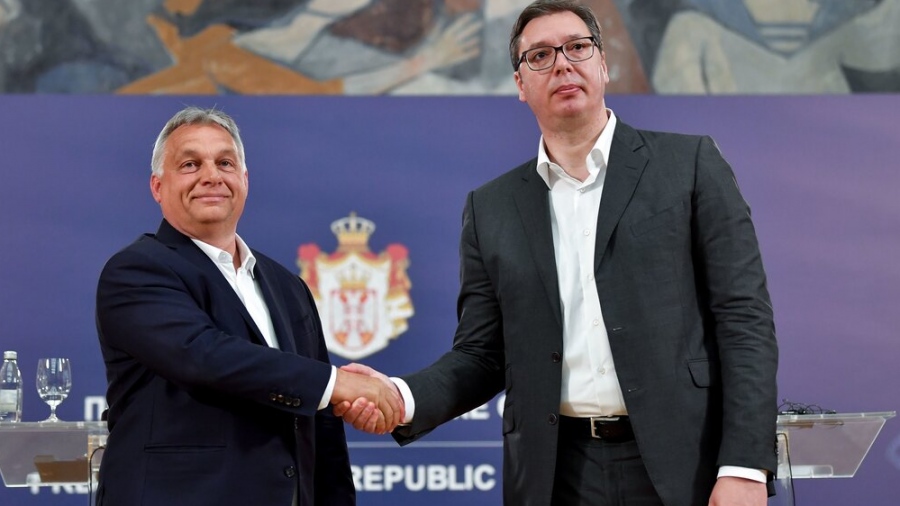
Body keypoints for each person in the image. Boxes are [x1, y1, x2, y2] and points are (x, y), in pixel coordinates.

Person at [336, 1, 779, 505]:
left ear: (603, 65)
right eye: (540, 55)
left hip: (686, 464)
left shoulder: (689, 164)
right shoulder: (491, 207)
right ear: (520, 85)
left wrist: (745, 465)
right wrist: (400, 397)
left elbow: (743, 319)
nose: (563, 64)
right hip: (555, 475)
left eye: (577, 48)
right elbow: (482, 354)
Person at [95, 106, 403, 506]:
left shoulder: (287, 286)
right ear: (157, 186)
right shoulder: (137, 270)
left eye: (225, 163)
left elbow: (321, 427)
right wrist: (337, 383)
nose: (211, 176)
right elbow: (205, 357)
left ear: (244, 179)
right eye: (190, 164)